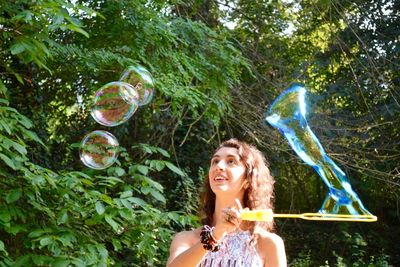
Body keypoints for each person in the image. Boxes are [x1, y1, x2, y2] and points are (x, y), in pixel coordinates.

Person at [167, 139, 287, 267]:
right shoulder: (186, 239)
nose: (219, 166)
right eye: (215, 161)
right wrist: (215, 236)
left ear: (248, 179)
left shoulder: (269, 243)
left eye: (231, 161)